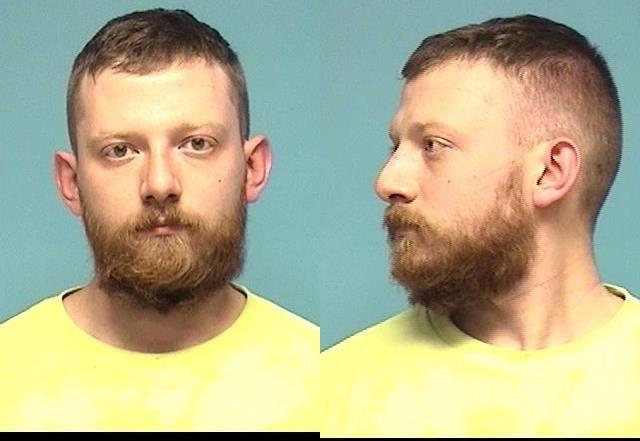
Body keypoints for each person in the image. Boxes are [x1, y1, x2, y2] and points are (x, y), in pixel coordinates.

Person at [322, 14, 640, 437]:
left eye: (433, 146)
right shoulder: (330, 397)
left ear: (549, 172)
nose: (388, 181)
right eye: (396, 146)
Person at [0, 8, 317, 431]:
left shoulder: (323, 379)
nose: (160, 183)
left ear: (252, 169)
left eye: (196, 144)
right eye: (120, 151)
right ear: (72, 183)